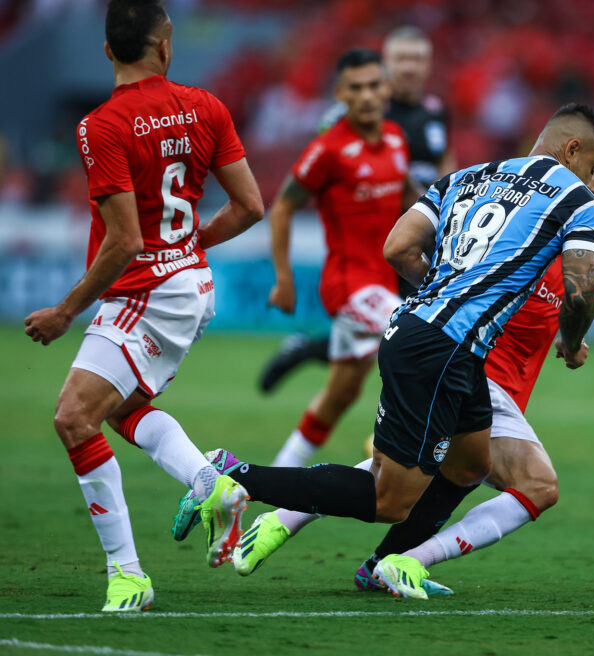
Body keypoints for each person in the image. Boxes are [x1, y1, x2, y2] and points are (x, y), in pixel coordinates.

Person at [212, 153, 594, 598]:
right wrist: (569, 333)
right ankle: (399, 558)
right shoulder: (518, 245)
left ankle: (315, 534)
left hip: (471, 381)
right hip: (467, 370)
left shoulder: (576, 261)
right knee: (534, 486)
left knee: (442, 470)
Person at [174, 103, 594, 595]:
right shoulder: (578, 199)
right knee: (389, 498)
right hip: (443, 349)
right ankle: (234, 474)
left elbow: (397, 247)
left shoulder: (466, 177)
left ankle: (389, 565)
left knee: (471, 464)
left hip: (429, 337)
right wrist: (572, 345)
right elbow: (579, 292)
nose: (591, 177)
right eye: (592, 165)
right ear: (572, 149)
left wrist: (444, 292)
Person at [23, 0, 262, 612]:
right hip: (189, 285)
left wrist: (66, 310)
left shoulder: (99, 126)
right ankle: (211, 484)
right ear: (167, 44)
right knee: (125, 409)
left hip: (146, 292)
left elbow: (126, 241)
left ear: (107, 51)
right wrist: (189, 244)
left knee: (73, 418)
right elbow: (250, 208)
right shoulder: (206, 106)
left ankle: (127, 576)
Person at [259, 25, 455, 392]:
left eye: (418, 59)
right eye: (402, 59)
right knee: (413, 338)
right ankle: (402, 432)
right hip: (377, 243)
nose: (410, 68)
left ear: (428, 65)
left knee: (377, 352)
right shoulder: (356, 115)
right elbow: (327, 168)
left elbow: (445, 164)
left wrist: (449, 215)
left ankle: (310, 348)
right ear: (387, 66)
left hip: (422, 236)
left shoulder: (435, 112)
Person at [262, 49, 421, 470]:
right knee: (423, 339)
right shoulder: (327, 150)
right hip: (348, 286)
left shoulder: (395, 140)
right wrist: (283, 277)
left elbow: (410, 196)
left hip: (383, 284)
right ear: (340, 93)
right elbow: (282, 206)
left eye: (374, 85)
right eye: (357, 87)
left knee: (340, 395)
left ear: (387, 89)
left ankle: (270, 480)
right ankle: (397, 445)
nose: (367, 95)